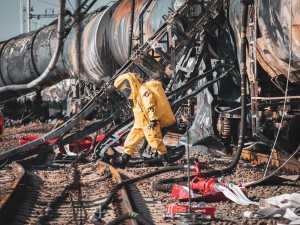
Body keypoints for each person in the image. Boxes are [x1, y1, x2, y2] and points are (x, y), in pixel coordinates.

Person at [111, 72, 178, 168]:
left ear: (131, 83)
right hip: (139, 123)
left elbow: (150, 105)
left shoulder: (143, 90)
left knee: (155, 141)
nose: (125, 90)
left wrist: (153, 119)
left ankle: (166, 158)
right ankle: (123, 160)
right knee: (130, 140)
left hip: (147, 123)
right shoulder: (136, 96)